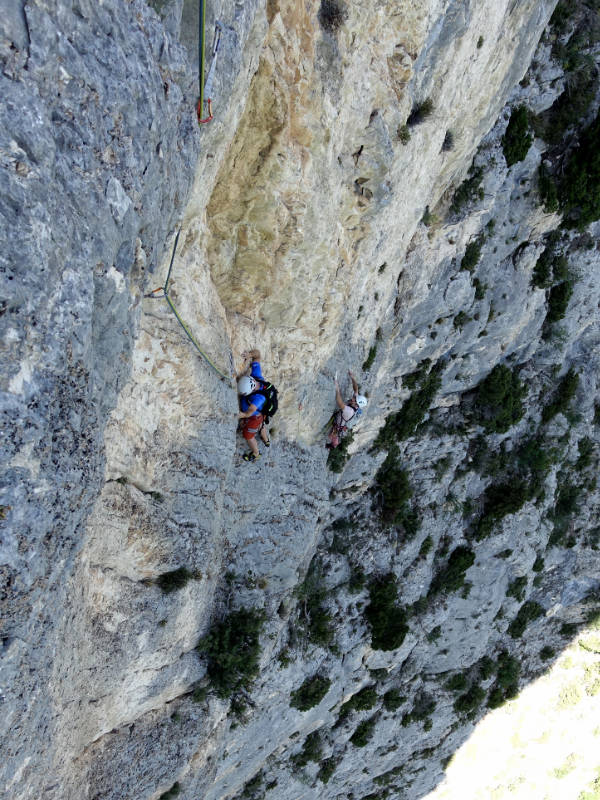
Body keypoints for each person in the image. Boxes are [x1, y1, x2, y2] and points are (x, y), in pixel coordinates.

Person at [237, 349, 271, 462]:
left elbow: (250, 412)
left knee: (248, 436)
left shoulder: (258, 398)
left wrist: (240, 415)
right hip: (261, 413)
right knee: (261, 424)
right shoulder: (257, 376)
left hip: (255, 417)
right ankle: (266, 440)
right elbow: (258, 356)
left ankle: (256, 453)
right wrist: (250, 355)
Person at [326, 370, 368, 449]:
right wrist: (352, 377)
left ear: (357, 404)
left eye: (354, 400)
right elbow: (356, 389)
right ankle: (333, 444)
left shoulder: (350, 411)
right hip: (339, 422)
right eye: (354, 398)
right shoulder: (356, 402)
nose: (352, 399)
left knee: (330, 436)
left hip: (337, 426)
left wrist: (337, 388)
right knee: (333, 437)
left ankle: (333, 445)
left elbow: (339, 402)